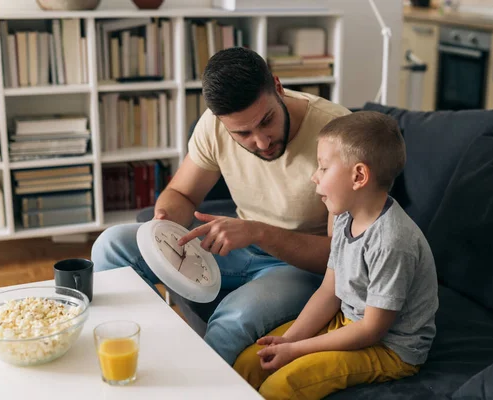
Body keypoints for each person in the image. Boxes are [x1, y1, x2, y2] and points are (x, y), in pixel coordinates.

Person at [90, 46, 352, 365]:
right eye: (242, 133)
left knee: (233, 320)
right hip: (236, 248)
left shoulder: (339, 136)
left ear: (278, 87)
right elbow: (182, 195)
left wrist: (258, 232)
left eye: (266, 121)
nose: (261, 142)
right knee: (111, 245)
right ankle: (143, 358)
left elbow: (339, 255)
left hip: (296, 268)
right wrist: (164, 224)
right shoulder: (213, 127)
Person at [233, 111, 439, 400]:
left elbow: (371, 330)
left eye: (323, 168)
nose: (314, 176)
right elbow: (329, 291)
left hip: (389, 348)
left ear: (358, 176)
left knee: (280, 387)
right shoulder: (343, 216)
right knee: (249, 363)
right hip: (347, 321)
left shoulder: (393, 242)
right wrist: (287, 341)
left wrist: (295, 351)